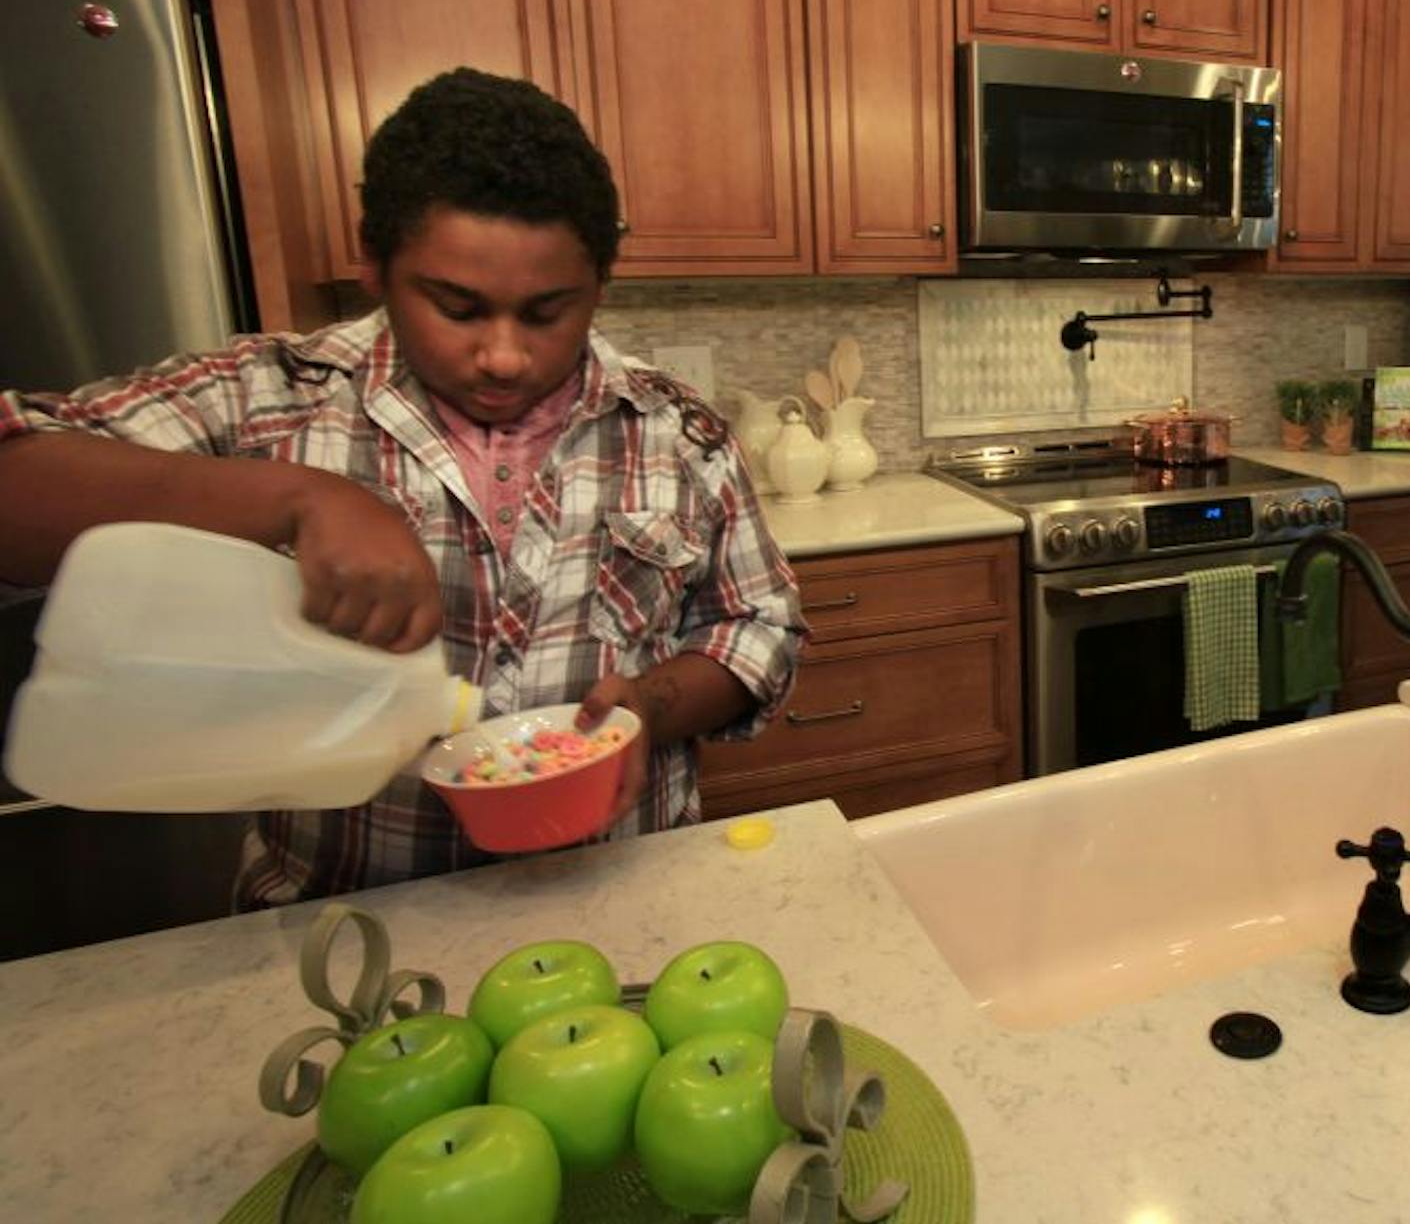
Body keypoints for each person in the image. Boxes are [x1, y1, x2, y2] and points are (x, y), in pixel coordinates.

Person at [0, 67, 806, 908]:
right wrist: (301, 499)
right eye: (457, 308)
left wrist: (651, 703)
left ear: (600, 283)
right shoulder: (272, 399)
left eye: (546, 312)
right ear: (376, 265)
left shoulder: (674, 428)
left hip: (619, 901)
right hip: (347, 928)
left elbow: (758, 624)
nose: (503, 354)